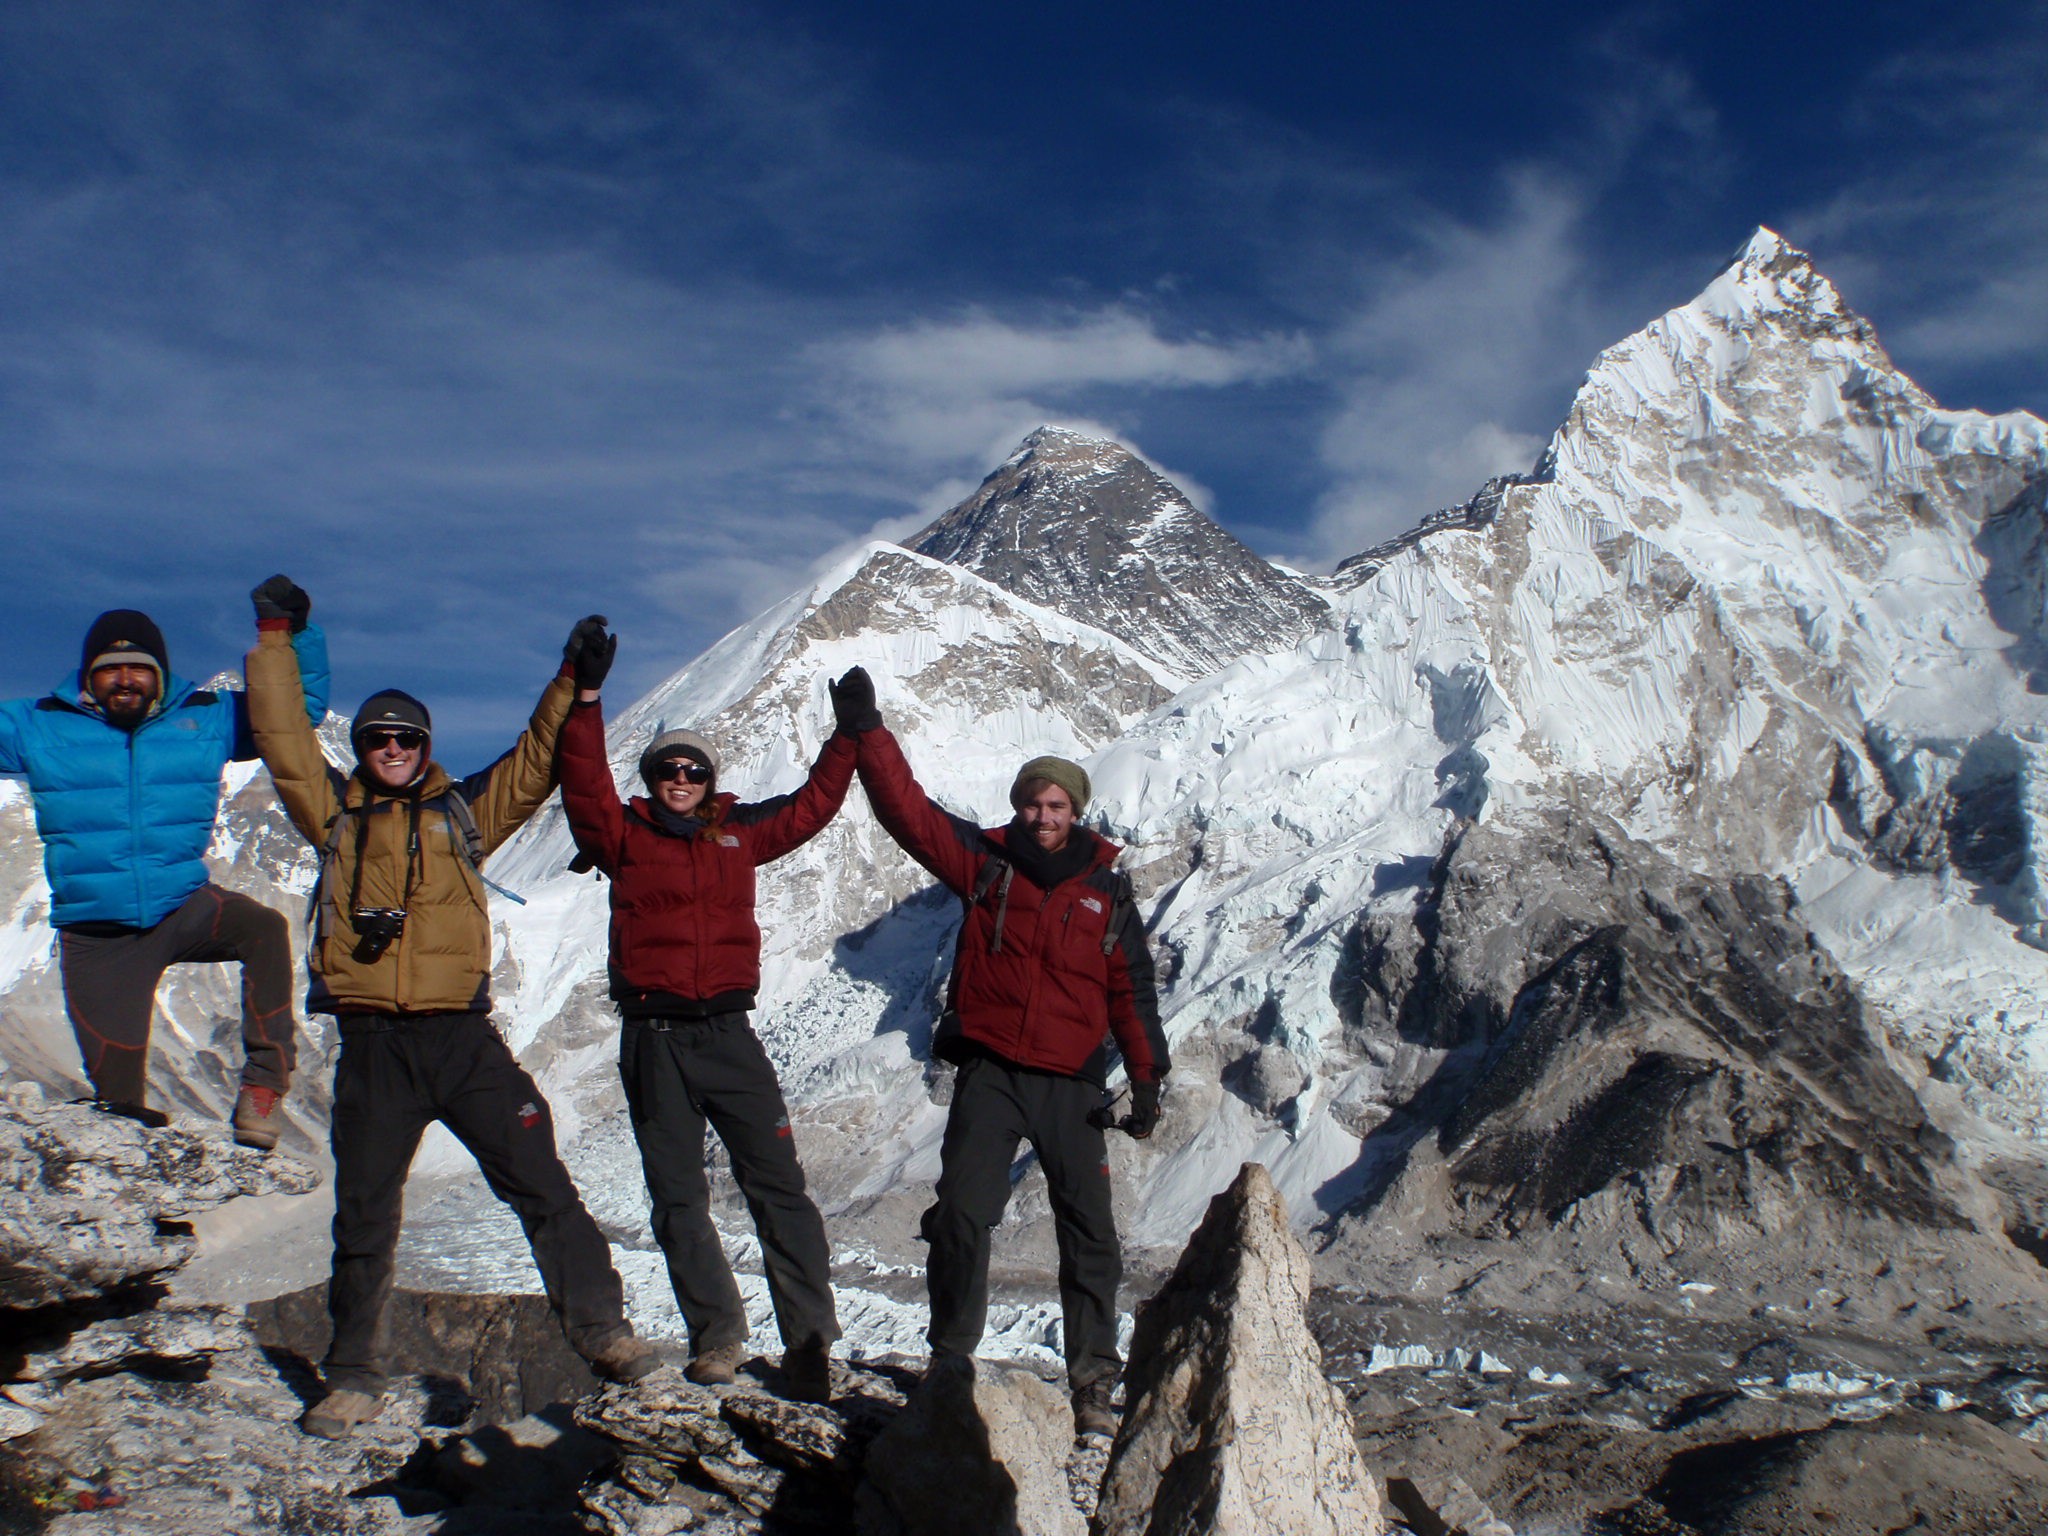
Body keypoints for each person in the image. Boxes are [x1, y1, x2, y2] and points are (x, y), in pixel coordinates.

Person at [246, 610, 657, 1439]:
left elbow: (536, 762)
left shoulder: (466, 813)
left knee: (542, 1183)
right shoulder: (334, 815)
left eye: (406, 737)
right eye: (377, 739)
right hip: (373, 1047)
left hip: (462, 1040)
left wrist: (575, 682)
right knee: (364, 1210)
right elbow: (284, 738)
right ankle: (354, 1373)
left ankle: (604, 1333)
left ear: (426, 745)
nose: (392, 749)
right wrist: (275, 639)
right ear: (362, 749)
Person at [851, 678, 1171, 1439]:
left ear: (1076, 811)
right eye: (1032, 803)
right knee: (961, 1211)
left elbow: (1132, 992)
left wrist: (1148, 1079)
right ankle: (951, 1357)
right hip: (991, 1071)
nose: (1042, 816)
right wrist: (867, 734)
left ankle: (1093, 1379)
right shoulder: (985, 865)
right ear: (1019, 806)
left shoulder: (1108, 895)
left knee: (1088, 1231)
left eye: (1056, 805)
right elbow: (910, 815)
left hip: (1070, 1084)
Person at [556, 626, 859, 1403]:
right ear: (653, 778)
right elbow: (584, 784)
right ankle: (717, 1337)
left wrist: (850, 738)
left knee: (778, 1186)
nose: (680, 778)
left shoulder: (738, 833)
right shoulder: (622, 835)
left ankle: (810, 1343)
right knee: (678, 1197)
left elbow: (812, 808)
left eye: (692, 770)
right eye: (667, 769)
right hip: (653, 1037)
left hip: (728, 1033)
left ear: (709, 779)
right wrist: (585, 696)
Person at [0, 579, 328, 1147]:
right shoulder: (36, 724)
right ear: (87, 677)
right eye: (109, 669)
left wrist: (289, 632)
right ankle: (159, 1225)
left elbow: (297, 712)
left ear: (161, 673)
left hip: (183, 906)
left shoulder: (205, 718)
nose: (125, 679)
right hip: (97, 936)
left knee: (265, 929)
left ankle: (263, 1087)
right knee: (119, 1110)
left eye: (138, 667)